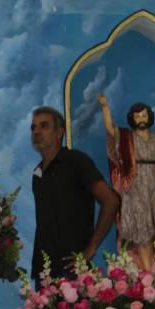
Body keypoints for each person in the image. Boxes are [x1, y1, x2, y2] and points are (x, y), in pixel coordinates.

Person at [30, 106, 119, 282]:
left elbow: (111, 201)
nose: (37, 132)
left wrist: (91, 248)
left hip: (73, 270)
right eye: (33, 128)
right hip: (44, 272)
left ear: (59, 132)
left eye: (44, 125)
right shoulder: (37, 174)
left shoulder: (76, 161)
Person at [98, 96, 155, 268]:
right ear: (132, 119)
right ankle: (148, 275)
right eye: (137, 116)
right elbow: (110, 129)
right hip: (134, 187)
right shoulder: (126, 138)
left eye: (144, 115)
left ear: (149, 117)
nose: (141, 119)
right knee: (143, 233)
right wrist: (105, 106)